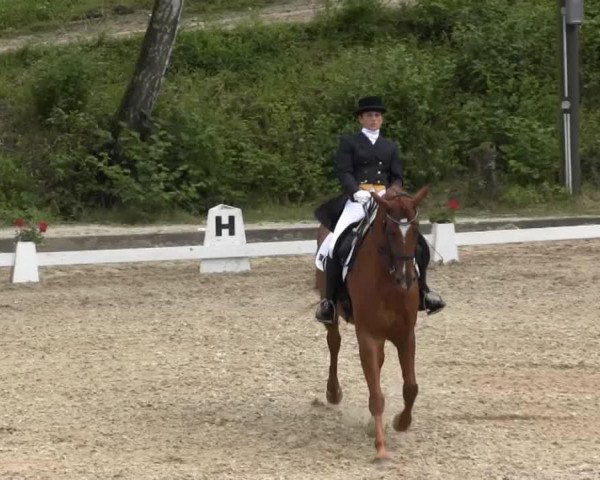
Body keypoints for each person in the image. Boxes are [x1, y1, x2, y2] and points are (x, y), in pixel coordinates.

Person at [315, 95, 446, 324]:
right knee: (335, 244)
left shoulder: (390, 146)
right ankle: (330, 301)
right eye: (369, 115)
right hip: (358, 200)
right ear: (361, 119)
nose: (373, 119)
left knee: (419, 243)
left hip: (386, 200)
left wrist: (392, 192)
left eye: (377, 115)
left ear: (382, 119)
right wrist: (355, 191)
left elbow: (397, 176)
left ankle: (424, 292)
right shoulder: (350, 142)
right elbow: (344, 171)